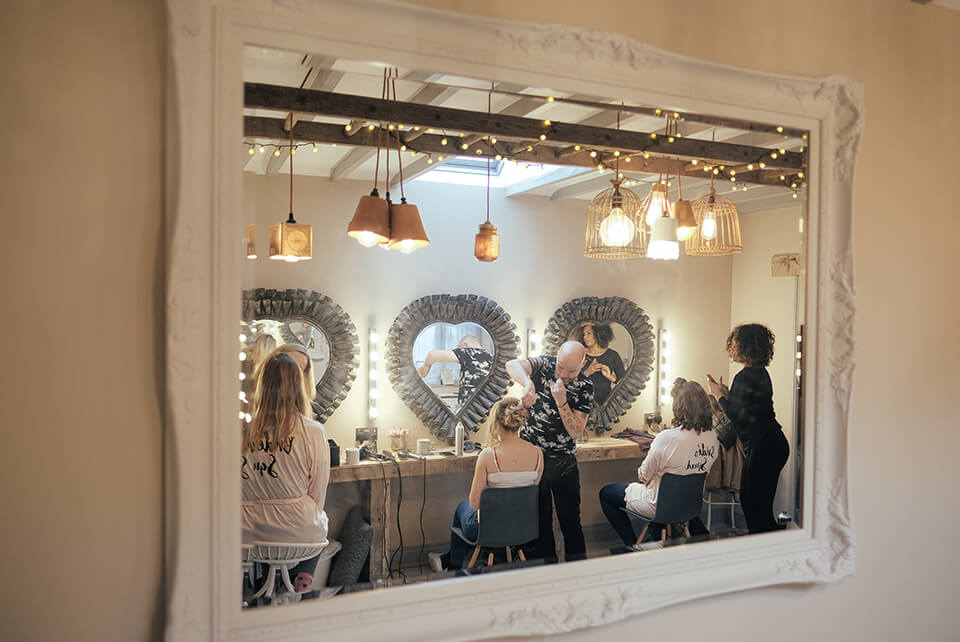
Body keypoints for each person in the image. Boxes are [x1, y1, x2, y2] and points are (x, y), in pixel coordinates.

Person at [242, 353, 331, 594]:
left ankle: (256, 589)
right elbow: (318, 495)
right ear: (299, 386)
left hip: (245, 533)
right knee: (320, 520)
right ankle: (300, 580)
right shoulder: (312, 431)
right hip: (296, 532)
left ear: (261, 385)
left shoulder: (239, 428)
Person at [599, 378, 719, 552]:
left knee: (606, 493)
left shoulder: (667, 437)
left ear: (679, 407)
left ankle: (632, 545)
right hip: (689, 506)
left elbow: (644, 475)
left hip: (657, 505)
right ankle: (657, 536)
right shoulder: (712, 436)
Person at [427, 398, 543, 571]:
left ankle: (452, 563)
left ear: (496, 423)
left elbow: (475, 504)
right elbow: (523, 495)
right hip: (523, 527)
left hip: (490, 529)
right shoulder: (537, 453)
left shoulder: (489, 455)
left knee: (463, 507)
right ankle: (491, 555)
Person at [506, 341, 594, 563]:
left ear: (583, 364)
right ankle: (548, 572)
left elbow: (576, 431)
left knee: (570, 523)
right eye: (561, 367)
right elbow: (511, 364)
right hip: (533, 460)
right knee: (540, 522)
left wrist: (562, 402)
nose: (563, 374)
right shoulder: (544, 364)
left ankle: (579, 572)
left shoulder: (585, 387)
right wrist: (528, 384)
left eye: (570, 371)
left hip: (564, 462)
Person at [707, 323, 789, 534]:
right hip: (775, 444)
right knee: (760, 508)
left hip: (763, 447)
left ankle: (764, 554)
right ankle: (770, 552)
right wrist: (728, 395)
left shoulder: (744, 376)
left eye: (735, 343)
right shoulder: (761, 373)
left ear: (746, 346)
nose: (732, 347)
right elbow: (751, 410)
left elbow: (737, 418)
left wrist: (718, 396)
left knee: (753, 507)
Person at [416, 335, 493, 407]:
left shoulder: (470, 352)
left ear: (466, 345)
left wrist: (424, 368)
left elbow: (432, 355)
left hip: (471, 411)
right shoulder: (491, 357)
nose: (458, 351)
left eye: (459, 349)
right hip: (486, 407)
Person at [570, 322, 626, 405]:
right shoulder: (578, 354)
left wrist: (610, 377)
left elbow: (625, 382)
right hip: (580, 403)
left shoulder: (612, 355)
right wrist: (587, 372)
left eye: (589, 333)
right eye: (583, 334)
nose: (585, 337)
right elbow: (569, 382)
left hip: (605, 405)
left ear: (598, 333)